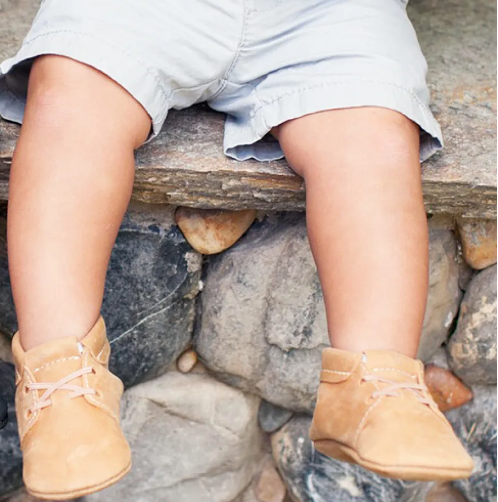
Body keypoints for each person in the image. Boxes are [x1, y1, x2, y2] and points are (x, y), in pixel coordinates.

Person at [0, 0, 473, 498]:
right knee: (75, 103)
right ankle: (59, 380)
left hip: (328, 16)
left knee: (371, 139)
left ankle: (377, 381)